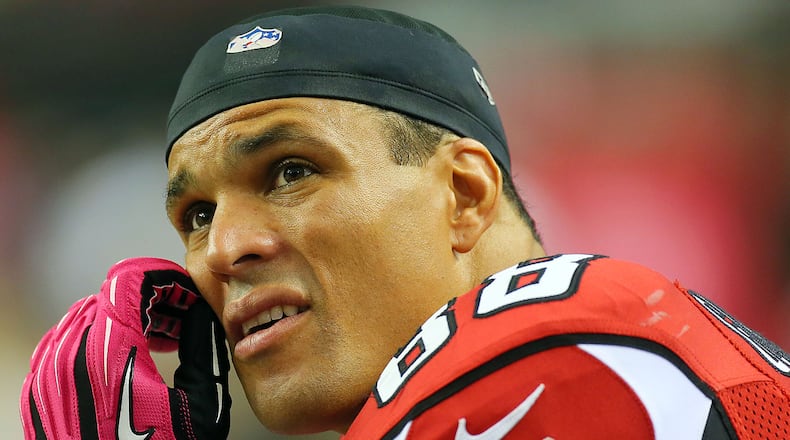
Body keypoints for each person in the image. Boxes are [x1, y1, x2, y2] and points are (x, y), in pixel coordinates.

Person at [21, 5, 790, 439]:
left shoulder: (546, 348)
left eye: (291, 171)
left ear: (463, 194)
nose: (222, 249)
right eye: (196, 213)